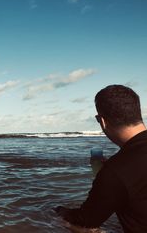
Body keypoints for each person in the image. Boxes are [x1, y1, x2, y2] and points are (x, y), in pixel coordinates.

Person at [55, 85, 147, 232]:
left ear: (102, 121)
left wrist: (57, 211)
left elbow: (87, 219)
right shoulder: (116, 171)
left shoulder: (115, 171)